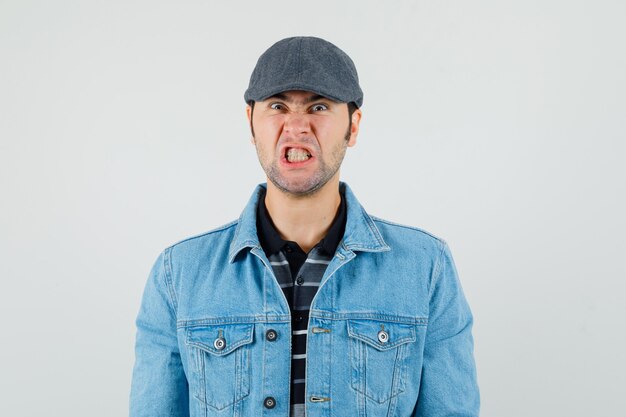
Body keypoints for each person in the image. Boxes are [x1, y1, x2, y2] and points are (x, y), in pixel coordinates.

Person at [130, 36, 480, 417]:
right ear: (250, 122)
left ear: (354, 126)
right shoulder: (178, 275)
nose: (296, 126)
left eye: (319, 106)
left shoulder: (426, 268)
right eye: (278, 106)